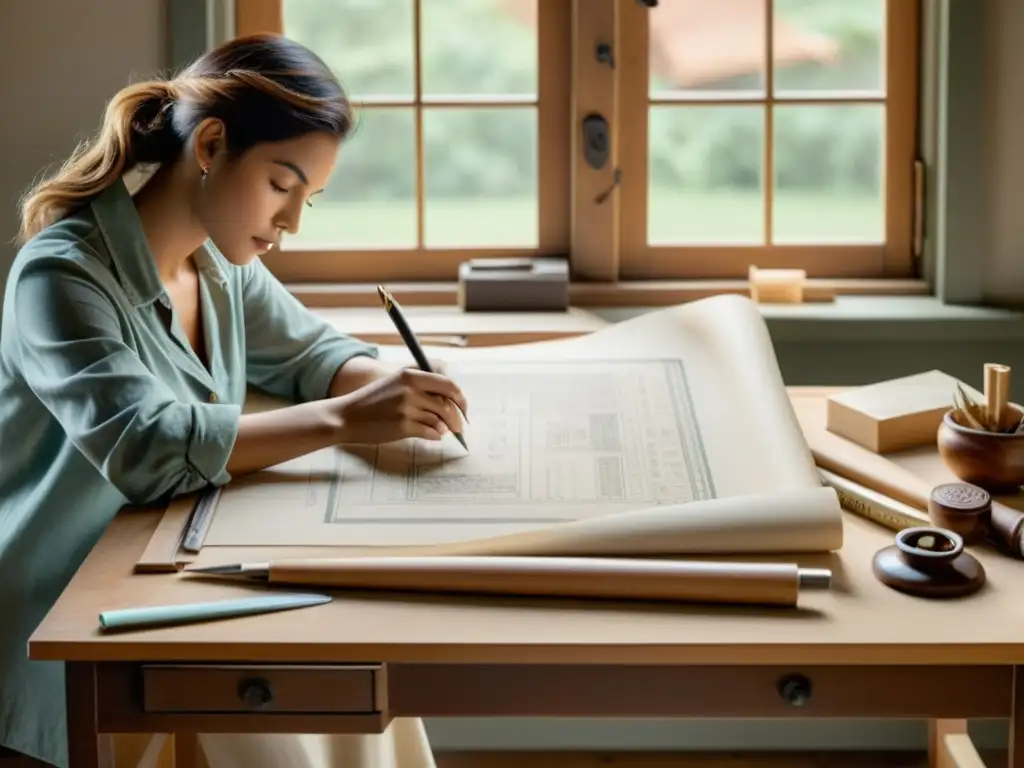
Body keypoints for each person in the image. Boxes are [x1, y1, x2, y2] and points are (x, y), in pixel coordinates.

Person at [0, 32, 468, 768]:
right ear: (212, 145)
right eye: (282, 186)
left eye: (308, 198)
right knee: (280, 698)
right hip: (67, 603)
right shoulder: (59, 277)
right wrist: (349, 418)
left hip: (172, 565)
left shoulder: (218, 264)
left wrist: (393, 386)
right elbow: (146, 447)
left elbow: (313, 355)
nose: (292, 223)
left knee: (345, 674)